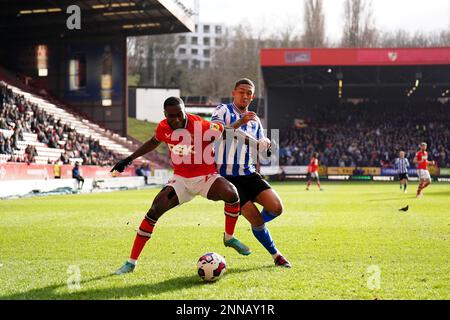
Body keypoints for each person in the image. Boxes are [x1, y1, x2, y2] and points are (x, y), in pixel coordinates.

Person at [112, 97, 259, 275]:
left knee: (231, 193)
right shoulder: (163, 127)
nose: (175, 120)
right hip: (181, 179)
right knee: (154, 211)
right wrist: (128, 160)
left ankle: (229, 237)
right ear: (165, 115)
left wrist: (242, 124)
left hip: (206, 177)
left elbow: (226, 132)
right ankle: (131, 263)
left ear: (184, 111)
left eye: (179, 115)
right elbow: (153, 141)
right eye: (170, 116)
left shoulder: (201, 125)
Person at [211, 78, 291, 268]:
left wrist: (266, 143)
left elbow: (262, 145)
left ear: (253, 96)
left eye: (249, 93)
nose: (244, 95)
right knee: (255, 218)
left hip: (250, 174)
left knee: (277, 208)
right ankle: (276, 255)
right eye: (241, 91)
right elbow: (215, 134)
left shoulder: (255, 120)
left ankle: (256, 225)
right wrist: (240, 121)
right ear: (234, 92)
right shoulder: (222, 110)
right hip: (229, 179)